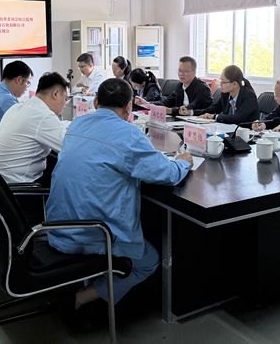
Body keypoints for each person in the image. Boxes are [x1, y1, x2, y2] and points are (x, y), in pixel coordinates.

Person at [46, 78, 193, 310]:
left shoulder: (77, 124)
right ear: (129, 107)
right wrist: (183, 162)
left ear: (96, 102)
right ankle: (80, 299)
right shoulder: (129, 135)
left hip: (57, 226)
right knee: (148, 262)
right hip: (94, 234)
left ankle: (88, 283)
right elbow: (167, 174)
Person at [0, 72, 69, 184]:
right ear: (55, 94)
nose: (64, 106)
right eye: (65, 99)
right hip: (18, 187)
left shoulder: (17, 107)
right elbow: (71, 147)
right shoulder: (42, 116)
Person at [181, 65, 259, 125]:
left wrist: (215, 116)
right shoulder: (225, 94)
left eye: (223, 82)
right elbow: (211, 110)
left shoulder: (249, 96)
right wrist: (190, 112)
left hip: (247, 135)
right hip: (229, 130)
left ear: (234, 84)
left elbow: (238, 118)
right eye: (220, 81)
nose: (220, 85)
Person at [136, 56, 211, 116]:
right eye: (179, 71)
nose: (181, 74)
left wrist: (170, 110)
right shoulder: (180, 86)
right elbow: (168, 102)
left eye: (185, 71)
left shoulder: (202, 88)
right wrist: (148, 104)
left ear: (194, 72)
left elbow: (191, 108)